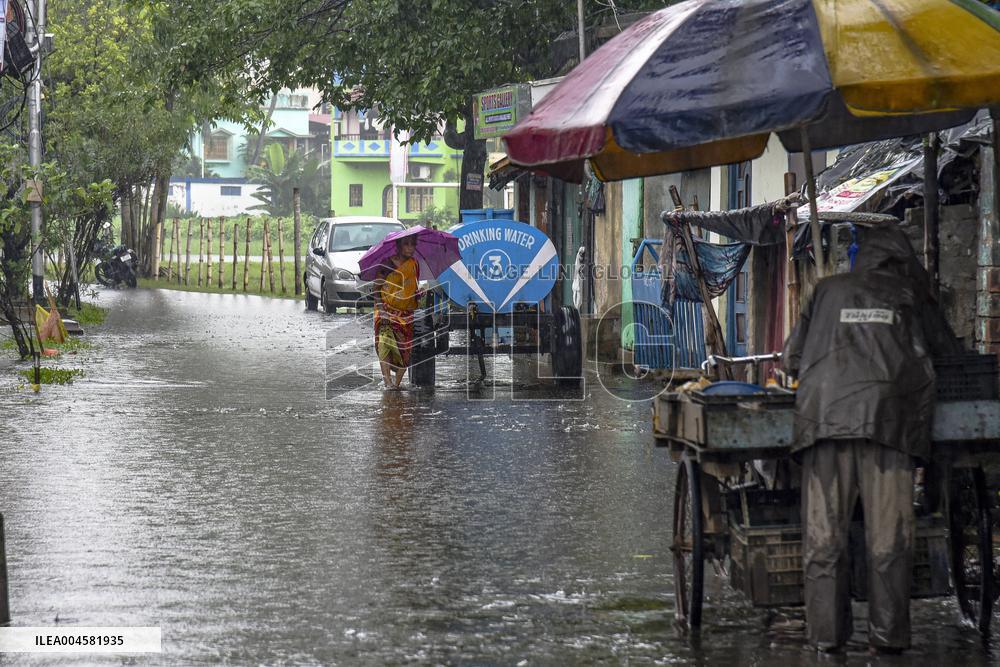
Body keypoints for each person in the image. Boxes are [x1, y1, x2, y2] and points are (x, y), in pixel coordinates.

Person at [782, 225, 960, 654]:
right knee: (889, 541)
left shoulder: (826, 290)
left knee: (824, 540)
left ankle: (827, 640)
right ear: (903, 262)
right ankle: (888, 640)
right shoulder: (911, 295)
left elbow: (791, 360)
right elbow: (949, 357)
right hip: (890, 426)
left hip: (824, 423)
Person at [374, 236, 420, 389]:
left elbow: (412, 288)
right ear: (398, 246)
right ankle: (388, 383)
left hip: (406, 314)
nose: (410, 248)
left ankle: (397, 384)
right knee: (385, 345)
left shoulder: (414, 264)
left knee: (405, 351)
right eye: (406, 244)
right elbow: (376, 290)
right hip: (386, 311)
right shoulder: (387, 264)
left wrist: (418, 294)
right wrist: (382, 311)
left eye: (413, 244)